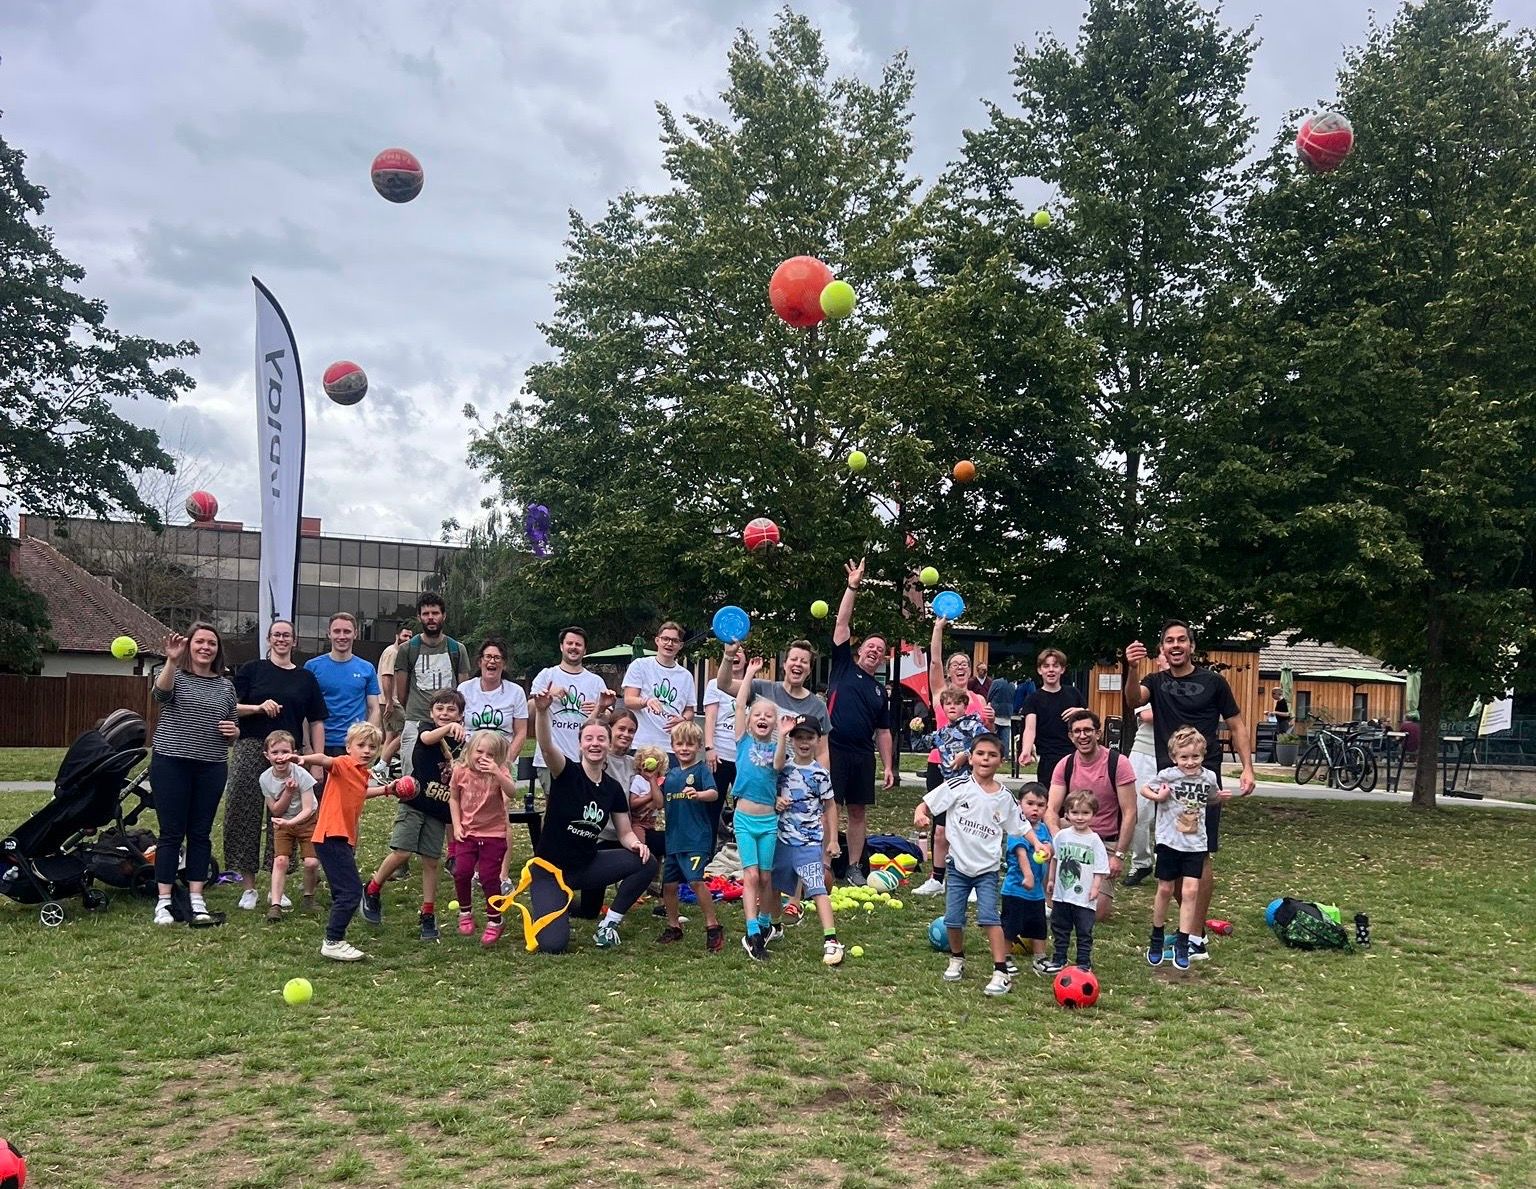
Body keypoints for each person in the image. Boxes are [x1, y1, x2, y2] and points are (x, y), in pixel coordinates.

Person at [1125, 620, 1256, 960]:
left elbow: (1237, 724)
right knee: (1172, 847)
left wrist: (1248, 767)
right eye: (1169, 640)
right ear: (1164, 648)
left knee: (1200, 851)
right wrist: (1132, 667)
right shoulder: (1155, 680)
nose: (1176, 645)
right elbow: (1132, 700)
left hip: (1204, 778)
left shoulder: (1214, 681)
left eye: (1182, 639)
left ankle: (1195, 936)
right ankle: (1189, 931)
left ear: (1192, 646)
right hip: (1170, 781)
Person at [525, 693, 655, 953]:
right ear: (580, 745)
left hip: (586, 866)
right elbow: (547, 745)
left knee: (646, 862)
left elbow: (625, 831)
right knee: (553, 945)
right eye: (589, 739)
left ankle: (609, 923)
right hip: (550, 872)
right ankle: (550, 901)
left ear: (608, 744)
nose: (595, 744)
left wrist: (635, 845)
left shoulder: (613, 788)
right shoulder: (566, 772)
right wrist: (541, 712)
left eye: (600, 739)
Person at [224, 618, 327, 911]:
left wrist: (316, 761)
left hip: (288, 754)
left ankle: (275, 885)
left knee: (285, 815)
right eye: (276, 635)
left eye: (287, 635)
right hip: (251, 747)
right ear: (269, 640)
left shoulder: (305, 678)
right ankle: (248, 886)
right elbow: (230, 707)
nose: (282, 639)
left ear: (294, 641)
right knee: (243, 811)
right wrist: (258, 707)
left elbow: (317, 720)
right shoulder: (252, 670)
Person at [913, 734, 1026, 996]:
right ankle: (957, 958)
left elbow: (1020, 827)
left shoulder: (1005, 797)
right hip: (957, 868)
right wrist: (920, 814)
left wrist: (1039, 844)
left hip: (987, 870)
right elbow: (927, 804)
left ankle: (1001, 971)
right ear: (971, 758)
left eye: (992, 755)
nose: (985, 759)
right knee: (953, 919)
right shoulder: (958, 785)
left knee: (989, 917)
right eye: (981, 754)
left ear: (1001, 760)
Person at [149, 625, 238, 926]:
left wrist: (233, 731)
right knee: (171, 832)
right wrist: (172, 661)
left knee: (200, 833)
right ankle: (163, 901)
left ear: (217, 649)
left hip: (211, 765)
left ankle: (196, 896)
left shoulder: (226, 686)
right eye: (199, 641)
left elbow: (232, 728)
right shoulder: (174, 672)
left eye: (211, 643)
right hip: (171, 762)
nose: (205, 647)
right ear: (189, 646)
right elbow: (160, 696)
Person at [362, 688, 464, 940]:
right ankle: (373, 888)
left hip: (438, 810)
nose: (445, 713)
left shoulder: (461, 741)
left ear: (461, 715)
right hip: (414, 802)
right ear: (431, 712)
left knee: (431, 861)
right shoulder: (426, 730)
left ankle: (427, 913)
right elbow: (429, 738)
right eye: (440, 709)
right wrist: (448, 729)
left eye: (451, 710)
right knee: (402, 851)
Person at [299, 722, 397, 961]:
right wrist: (305, 759)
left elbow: (360, 792)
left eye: (372, 747)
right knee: (351, 892)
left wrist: (387, 790)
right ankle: (333, 940)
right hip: (332, 835)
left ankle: (334, 937)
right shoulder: (343, 763)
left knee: (343, 891)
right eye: (361, 745)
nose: (366, 751)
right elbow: (325, 760)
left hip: (341, 838)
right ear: (348, 747)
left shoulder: (361, 772)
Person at [915, 615, 996, 897]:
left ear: (971, 671)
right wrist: (938, 628)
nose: (960, 668)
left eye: (965, 665)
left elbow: (987, 738)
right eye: (955, 665)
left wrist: (991, 721)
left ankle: (968, 879)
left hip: (970, 774)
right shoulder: (941, 694)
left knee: (968, 829)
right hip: (940, 768)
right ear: (948, 672)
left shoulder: (979, 700)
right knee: (940, 829)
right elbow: (934, 661)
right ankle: (937, 879)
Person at [827, 558, 896, 884]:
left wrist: (889, 766)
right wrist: (852, 586)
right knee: (830, 807)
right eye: (870, 646)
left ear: (883, 658)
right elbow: (842, 623)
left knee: (857, 811)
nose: (875, 651)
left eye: (880, 650)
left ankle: (854, 865)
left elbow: (883, 731)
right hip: (833, 748)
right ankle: (826, 861)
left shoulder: (879, 691)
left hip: (861, 755)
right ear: (859, 650)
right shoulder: (842, 666)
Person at [1142, 726, 1227, 970]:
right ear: (1174, 757)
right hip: (1169, 841)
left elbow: (1210, 798)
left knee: (1190, 892)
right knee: (1166, 889)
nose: (1190, 763)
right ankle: (1157, 936)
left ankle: (1184, 939)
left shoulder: (1208, 777)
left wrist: (1220, 798)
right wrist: (1158, 797)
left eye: (1195, 757)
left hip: (1196, 842)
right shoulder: (1168, 775)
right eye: (1184, 757)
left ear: (1203, 755)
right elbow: (1145, 788)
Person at [1045, 709, 1137, 922]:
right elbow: (1051, 809)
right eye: (1077, 731)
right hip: (1072, 836)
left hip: (1105, 842)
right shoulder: (1065, 764)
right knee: (1041, 837)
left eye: (1088, 730)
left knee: (1097, 914)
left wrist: (1119, 856)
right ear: (1070, 736)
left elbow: (1130, 812)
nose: (1082, 735)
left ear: (1098, 733)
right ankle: (1047, 894)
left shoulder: (1118, 763)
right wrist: (1058, 838)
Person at [769, 713, 843, 966]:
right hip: (781, 839)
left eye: (809, 737)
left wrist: (832, 840)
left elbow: (830, 806)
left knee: (818, 887)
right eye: (798, 737)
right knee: (774, 884)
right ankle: (774, 925)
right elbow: (772, 795)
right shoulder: (783, 768)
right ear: (791, 740)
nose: (803, 742)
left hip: (809, 842)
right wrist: (776, 801)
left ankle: (831, 940)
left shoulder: (820, 774)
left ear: (817, 740)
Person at [656, 720, 723, 951]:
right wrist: (650, 781)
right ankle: (674, 926)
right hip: (674, 840)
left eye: (690, 744)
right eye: (680, 744)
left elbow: (714, 794)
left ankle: (713, 926)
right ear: (673, 746)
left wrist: (699, 794)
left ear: (698, 747)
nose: (684, 748)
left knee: (695, 881)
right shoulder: (671, 775)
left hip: (696, 839)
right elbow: (658, 803)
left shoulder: (702, 770)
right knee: (669, 886)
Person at [733, 660, 784, 960]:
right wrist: (750, 674)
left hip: (768, 821)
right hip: (744, 819)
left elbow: (778, 766)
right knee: (750, 875)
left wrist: (785, 735)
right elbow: (740, 705)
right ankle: (752, 931)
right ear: (750, 721)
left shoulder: (778, 747)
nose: (762, 718)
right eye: (758, 715)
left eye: (769, 716)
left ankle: (765, 923)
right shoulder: (743, 741)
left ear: (775, 724)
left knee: (766, 878)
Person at [448, 729, 516, 945]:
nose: (483, 758)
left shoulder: (500, 771)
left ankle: (495, 920)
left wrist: (497, 773)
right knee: (462, 872)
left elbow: (512, 792)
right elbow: (453, 798)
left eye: (490, 755)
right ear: (470, 750)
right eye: (479, 751)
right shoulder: (460, 771)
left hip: (493, 834)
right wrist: (457, 825)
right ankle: (465, 912)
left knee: (488, 878)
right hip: (467, 832)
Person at [715, 638, 831, 764]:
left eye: (804, 661)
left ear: (809, 670)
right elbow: (724, 684)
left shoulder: (818, 707)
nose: (798, 664)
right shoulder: (761, 688)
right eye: (793, 659)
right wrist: (728, 656)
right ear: (785, 664)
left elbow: (822, 753)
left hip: (793, 780)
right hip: (759, 776)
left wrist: (823, 780)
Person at [393, 592, 472, 771]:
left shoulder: (457, 649)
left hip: (450, 723)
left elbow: (462, 691)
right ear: (419, 617)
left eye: (435, 613)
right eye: (426, 613)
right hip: (416, 721)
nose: (431, 618)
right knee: (411, 775)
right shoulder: (407, 649)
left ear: (443, 615)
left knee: (450, 774)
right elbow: (402, 694)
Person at [530, 626, 613, 793]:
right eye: (569, 643)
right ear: (561, 646)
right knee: (554, 809)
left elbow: (607, 719)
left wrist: (601, 709)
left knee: (584, 807)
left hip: (585, 758)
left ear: (584, 650)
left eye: (578, 644)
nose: (574, 647)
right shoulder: (547, 675)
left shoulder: (595, 681)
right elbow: (530, 711)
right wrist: (549, 696)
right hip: (550, 758)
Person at [1041, 789, 1111, 974]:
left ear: (1093, 815)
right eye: (1075, 813)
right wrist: (1051, 880)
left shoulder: (1094, 840)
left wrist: (1095, 888)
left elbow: (1100, 869)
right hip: (1062, 894)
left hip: (1084, 897)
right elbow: (1055, 859)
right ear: (1067, 814)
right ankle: (1059, 958)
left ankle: (1083, 963)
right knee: (1060, 928)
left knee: (1084, 931)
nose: (1080, 817)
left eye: (1085, 813)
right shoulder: (1062, 836)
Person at [260, 730, 319, 922]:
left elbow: (308, 809)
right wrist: (287, 792)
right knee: (280, 861)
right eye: (275, 752)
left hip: (307, 821)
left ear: (293, 753)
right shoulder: (265, 779)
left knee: (311, 862)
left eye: (284, 751)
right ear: (267, 755)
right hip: (283, 820)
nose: (280, 757)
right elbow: (276, 810)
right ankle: (275, 905)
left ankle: (309, 897)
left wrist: (290, 823)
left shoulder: (302, 775)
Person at [304, 612, 382, 760]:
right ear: (329, 634)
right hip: (321, 745)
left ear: (355, 634)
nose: (342, 636)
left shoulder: (367, 668)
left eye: (347, 631)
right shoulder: (312, 667)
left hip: (353, 747)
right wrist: (307, 747)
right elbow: (305, 711)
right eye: (337, 631)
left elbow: (374, 709)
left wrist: (366, 741)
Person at [1124, 650, 1171, 887]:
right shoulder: (1148, 685)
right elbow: (1147, 714)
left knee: (1170, 811)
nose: (1165, 659)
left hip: (1174, 754)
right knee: (1139, 811)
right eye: (1162, 655)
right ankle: (1141, 862)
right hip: (1144, 752)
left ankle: (1168, 863)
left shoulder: (1188, 686)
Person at [1001, 782, 1053, 976]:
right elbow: (1021, 854)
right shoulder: (1017, 828)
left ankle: (1040, 959)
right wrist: (1029, 876)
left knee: (1039, 926)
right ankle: (1004, 958)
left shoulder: (1044, 829)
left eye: (1040, 805)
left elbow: (1049, 847)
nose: (1035, 809)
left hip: (1036, 893)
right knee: (1010, 926)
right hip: (1016, 889)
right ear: (1019, 804)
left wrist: (1048, 850)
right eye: (1030, 803)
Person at [623, 621, 697, 753]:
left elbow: (690, 711)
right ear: (657, 640)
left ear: (680, 645)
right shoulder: (640, 665)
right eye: (665, 639)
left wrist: (684, 719)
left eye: (674, 640)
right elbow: (628, 700)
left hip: (673, 747)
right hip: (641, 744)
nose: (669, 644)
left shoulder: (686, 676)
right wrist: (646, 701)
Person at [1017, 647, 1085, 786]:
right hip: (1048, 759)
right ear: (1040, 670)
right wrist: (1026, 750)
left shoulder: (1073, 693)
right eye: (1046, 666)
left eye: (1056, 665)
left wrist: (1081, 711)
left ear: (1062, 669)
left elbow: (1090, 720)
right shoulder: (1033, 698)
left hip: (1075, 756)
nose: (1051, 670)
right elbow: (1030, 728)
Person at [702, 646, 746, 848]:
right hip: (719, 755)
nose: (736, 655)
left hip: (744, 759)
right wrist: (709, 747)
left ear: (746, 660)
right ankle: (706, 853)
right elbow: (710, 718)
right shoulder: (714, 684)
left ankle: (739, 855)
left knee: (744, 810)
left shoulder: (752, 686)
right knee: (711, 808)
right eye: (733, 653)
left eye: (741, 652)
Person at [457, 636, 528, 755]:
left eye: (497, 658)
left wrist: (506, 762)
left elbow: (521, 733)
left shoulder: (516, 692)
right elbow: (457, 724)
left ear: (504, 664)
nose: (492, 661)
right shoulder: (464, 689)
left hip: (503, 757)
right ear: (480, 662)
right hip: (470, 758)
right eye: (488, 657)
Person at [377, 625, 415, 776]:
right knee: (407, 733)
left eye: (410, 637)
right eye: (405, 636)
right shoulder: (392, 652)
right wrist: (390, 702)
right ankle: (382, 764)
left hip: (387, 701)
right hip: (391, 701)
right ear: (397, 636)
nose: (408, 640)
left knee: (390, 736)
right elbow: (387, 677)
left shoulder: (399, 653)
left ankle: (383, 770)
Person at [987, 670, 1015, 758]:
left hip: (997, 710)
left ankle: (993, 753)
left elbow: (990, 695)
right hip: (1008, 711)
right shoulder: (1012, 684)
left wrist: (988, 703)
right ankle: (1005, 756)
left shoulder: (996, 682)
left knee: (994, 736)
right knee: (1005, 737)